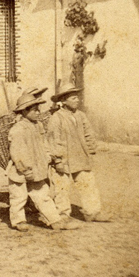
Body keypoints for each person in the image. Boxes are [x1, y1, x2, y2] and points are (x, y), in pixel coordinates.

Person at [8, 92, 83, 231]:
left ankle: (55, 220)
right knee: (18, 197)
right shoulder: (18, 129)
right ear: (24, 111)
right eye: (34, 110)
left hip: (37, 168)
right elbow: (18, 153)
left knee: (43, 195)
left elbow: (44, 144)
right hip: (20, 171)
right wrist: (25, 169)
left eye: (38, 109)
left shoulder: (38, 126)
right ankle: (18, 221)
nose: (38, 112)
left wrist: (49, 157)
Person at [47, 82, 112, 223]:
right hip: (63, 158)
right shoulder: (56, 118)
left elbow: (88, 133)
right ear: (63, 101)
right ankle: (63, 214)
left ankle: (92, 212)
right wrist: (57, 159)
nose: (77, 100)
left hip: (80, 156)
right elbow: (53, 140)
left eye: (77, 97)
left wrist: (90, 149)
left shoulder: (81, 116)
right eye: (73, 98)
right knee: (61, 187)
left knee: (88, 183)